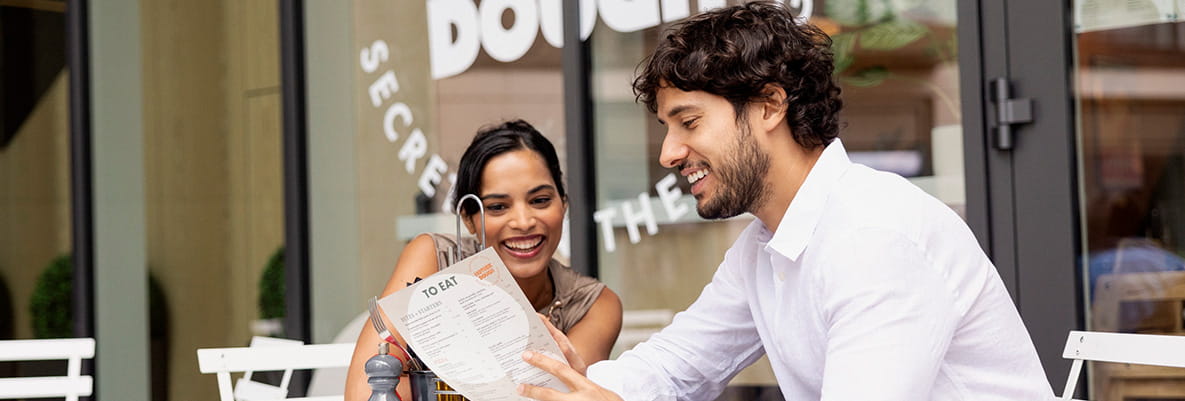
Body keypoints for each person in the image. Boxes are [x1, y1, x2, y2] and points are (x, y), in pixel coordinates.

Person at [517, 2, 1053, 400]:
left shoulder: (874, 236)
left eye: (689, 121)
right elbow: (678, 364)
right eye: (667, 127)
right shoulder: (766, 245)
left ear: (769, 106)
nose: (669, 153)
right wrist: (578, 384)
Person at [345, 120, 623, 401]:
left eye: (539, 200)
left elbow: (562, 395)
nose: (524, 222)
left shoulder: (594, 305)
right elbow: (369, 389)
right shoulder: (432, 257)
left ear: (563, 204)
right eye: (497, 207)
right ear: (468, 218)